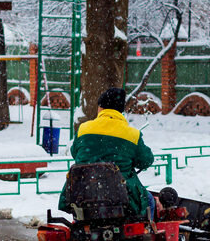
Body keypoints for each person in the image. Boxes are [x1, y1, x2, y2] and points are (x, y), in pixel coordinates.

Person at [58, 87, 154, 219]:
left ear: (101, 108)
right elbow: (146, 160)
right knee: (149, 201)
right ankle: (147, 235)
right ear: (121, 110)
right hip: (123, 197)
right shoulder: (132, 135)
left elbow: (76, 153)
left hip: (83, 193)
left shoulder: (84, 129)